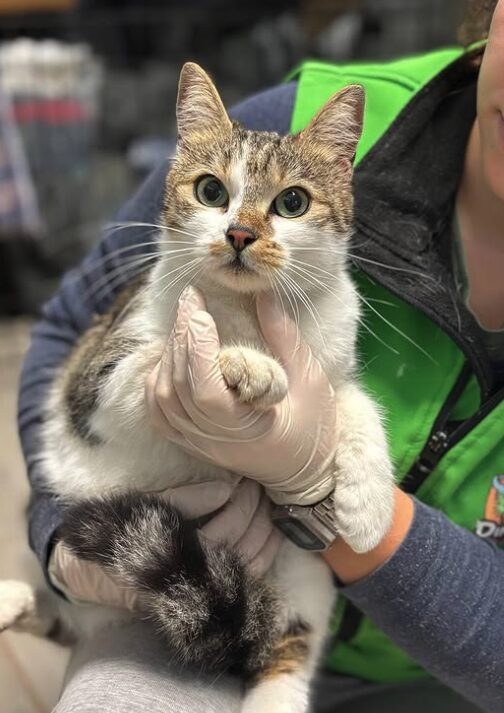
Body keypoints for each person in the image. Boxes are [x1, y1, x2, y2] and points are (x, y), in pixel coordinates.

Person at [17, 0, 504, 710]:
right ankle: (62, 613)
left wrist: (318, 485)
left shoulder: (327, 298)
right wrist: (60, 544)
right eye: (213, 193)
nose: (244, 232)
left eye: (290, 206)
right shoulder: (301, 111)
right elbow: (66, 330)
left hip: (436, 666)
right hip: (156, 558)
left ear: (336, 185)